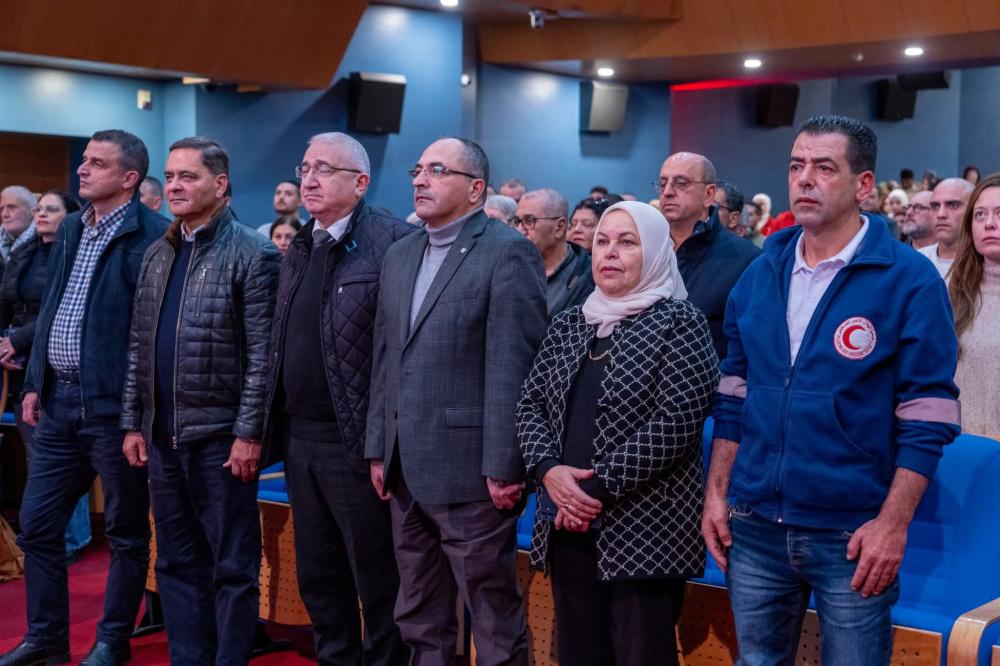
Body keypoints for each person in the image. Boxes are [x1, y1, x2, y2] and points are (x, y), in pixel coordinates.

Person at [703, 115, 960, 665]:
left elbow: (928, 415)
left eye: (824, 167)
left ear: (863, 185)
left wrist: (892, 525)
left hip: (852, 531)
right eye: (797, 165)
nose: (804, 179)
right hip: (756, 525)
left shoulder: (908, 279)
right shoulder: (762, 271)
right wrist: (717, 492)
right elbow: (734, 395)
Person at [366, 137, 547, 665]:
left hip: (473, 473)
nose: (421, 180)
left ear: (475, 189)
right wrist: (378, 446)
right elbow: (385, 357)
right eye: (418, 170)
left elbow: (514, 366)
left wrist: (506, 463)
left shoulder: (506, 251)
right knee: (419, 616)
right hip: (404, 466)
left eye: (438, 170)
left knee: (492, 619)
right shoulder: (400, 254)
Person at [517, 201, 717, 666]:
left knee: (641, 654)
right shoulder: (570, 323)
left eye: (627, 243)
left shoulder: (680, 322)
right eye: (602, 241)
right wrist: (548, 472)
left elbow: (677, 422)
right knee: (579, 653)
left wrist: (590, 490)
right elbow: (529, 405)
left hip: (645, 529)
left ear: (655, 252)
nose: (609, 253)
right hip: (567, 524)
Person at [6, 129, 168, 666]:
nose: (82, 169)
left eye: (97, 163)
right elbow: (53, 306)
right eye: (84, 160)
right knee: (37, 525)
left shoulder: (154, 236)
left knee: (125, 532)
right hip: (58, 403)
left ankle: (111, 642)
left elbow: (150, 335)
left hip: (114, 410)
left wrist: (135, 415)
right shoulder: (74, 226)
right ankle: (46, 638)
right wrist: (35, 382)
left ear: (129, 178)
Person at [120, 137, 280, 665]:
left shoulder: (254, 253)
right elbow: (139, 346)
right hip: (163, 436)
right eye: (170, 177)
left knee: (232, 567)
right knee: (175, 563)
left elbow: (263, 358)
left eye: (188, 176)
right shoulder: (158, 252)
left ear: (220, 183)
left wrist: (249, 434)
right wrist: (134, 423)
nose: (174, 186)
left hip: (221, 440)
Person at [262, 132, 413, 665]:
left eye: (324, 169)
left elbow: (399, 354)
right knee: (319, 577)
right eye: (305, 168)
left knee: (376, 578)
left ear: (360, 182)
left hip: (355, 442)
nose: (309, 179)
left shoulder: (393, 242)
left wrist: (382, 442)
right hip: (300, 438)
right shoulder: (302, 243)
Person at [0, 191, 91, 560]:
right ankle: (45, 537)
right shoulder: (24, 253)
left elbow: (60, 311)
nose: (41, 215)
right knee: (37, 456)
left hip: (57, 365)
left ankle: (72, 539)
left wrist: (17, 341)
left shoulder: (75, 254)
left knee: (63, 459)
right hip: (20, 364)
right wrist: (4, 343)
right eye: (39, 209)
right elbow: (6, 302)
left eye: (50, 209)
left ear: (70, 216)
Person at [657, 152, 760, 360]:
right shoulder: (645, 249)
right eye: (662, 183)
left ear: (708, 195)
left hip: (709, 376)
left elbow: (752, 342)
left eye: (681, 183)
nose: (667, 192)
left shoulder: (747, 259)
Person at [949, 174, 1000, 436]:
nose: (989, 223)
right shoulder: (951, 294)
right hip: (961, 448)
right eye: (980, 215)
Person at [514, 188, 595, 317]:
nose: (519, 230)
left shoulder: (590, 276)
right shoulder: (508, 267)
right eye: (517, 221)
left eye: (529, 221)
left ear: (559, 227)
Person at [920, 178, 975, 279]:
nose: (941, 214)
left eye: (953, 205)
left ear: (973, 210)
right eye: (935, 206)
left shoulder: (990, 265)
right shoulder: (917, 260)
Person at [0, 186, 38, 266]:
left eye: (12, 207)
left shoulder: (45, 241)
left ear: (32, 211)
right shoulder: (2, 236)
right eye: (1, 209)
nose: (4, 214)